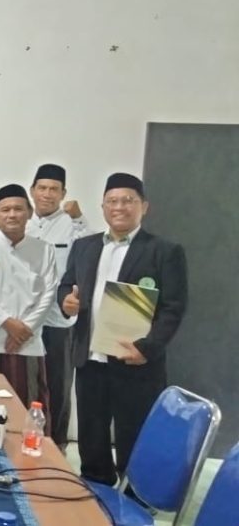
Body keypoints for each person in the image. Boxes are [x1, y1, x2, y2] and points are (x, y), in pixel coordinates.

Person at [59, 173, 187, 487]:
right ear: (103, 206)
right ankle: (96, 485)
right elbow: (66, 285)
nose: (119, 207)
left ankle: (136, 496)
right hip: (90, 358)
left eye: (128, 201)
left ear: (144, 206)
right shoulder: (84, 246)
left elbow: (173, 307)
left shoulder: (164, 251)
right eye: (112, 201)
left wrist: (147, 348)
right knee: (91, 432)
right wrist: (66, 301)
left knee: (135, 433)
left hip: (136, 361)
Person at [0, 184, 57, 424]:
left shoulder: (44, 249)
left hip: (28, 343)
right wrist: (8, 324)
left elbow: (48, 294)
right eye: (5, 210)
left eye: (18, 209)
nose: (12, 215)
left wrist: (23, 329)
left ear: (29, 212)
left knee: (29, 412)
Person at [25, 163, 90, 450]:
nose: (47, 194)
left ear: (63, 193)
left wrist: (79, 217)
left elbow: (91, 247)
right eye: (42, 188)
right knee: (28, 381)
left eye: (54, 189)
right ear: (32, 190)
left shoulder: (72, 224)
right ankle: (28, 437)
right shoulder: (23, 222)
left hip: (57, 319)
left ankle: (58, 444)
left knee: (58, 384)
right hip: (26, 318)